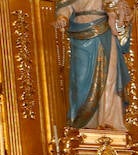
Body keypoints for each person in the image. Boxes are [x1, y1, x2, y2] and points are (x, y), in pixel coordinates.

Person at [55, 0, 131, 130]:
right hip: (81, 34)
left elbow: (119, 10)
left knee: (109, 77)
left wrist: (121, 13)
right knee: (81, 79)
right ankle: (85, 122)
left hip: (105, 32)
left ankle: (108, 120)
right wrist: (62, 17)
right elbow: (66, 6)